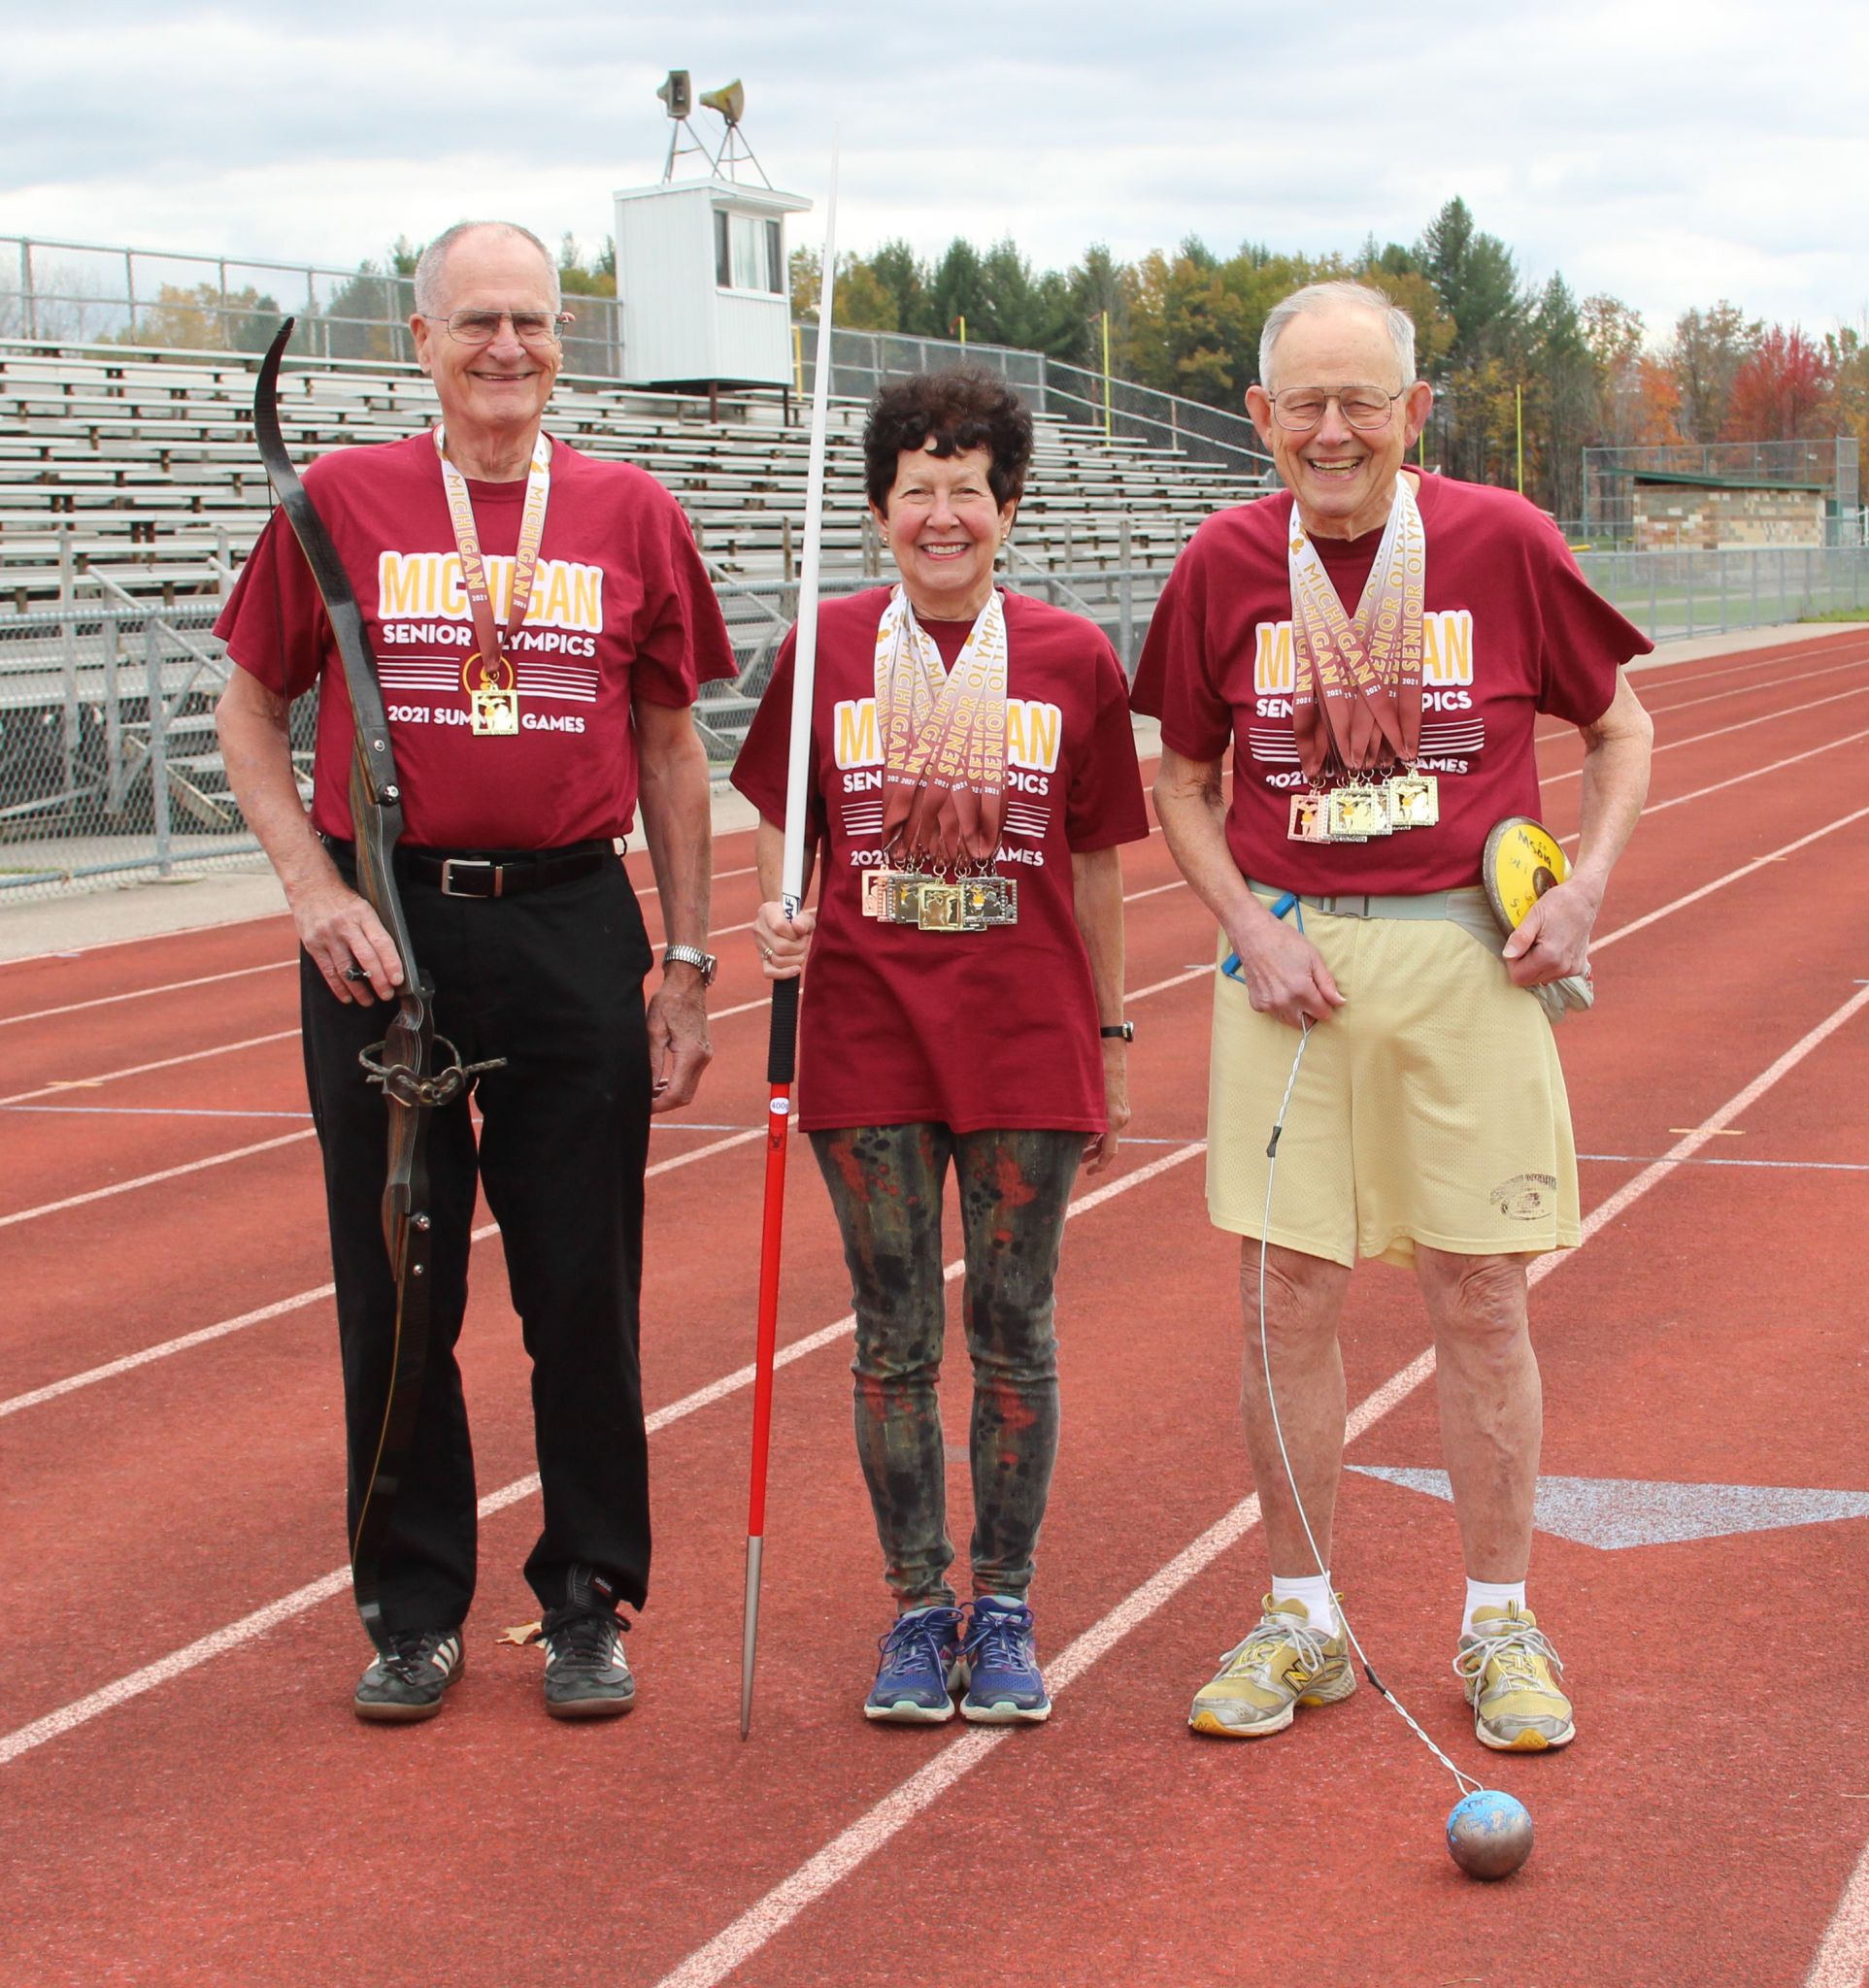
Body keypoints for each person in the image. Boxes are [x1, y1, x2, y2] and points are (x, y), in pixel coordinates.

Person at [214, 219, 737, 1723]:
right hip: (384, 936)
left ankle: (588, 1598)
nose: (506, 347)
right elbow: (251, 715)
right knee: (399, 1283)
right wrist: (312, 894)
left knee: (584, 1287)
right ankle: (412, 1604)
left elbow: (668, 748)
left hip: (572, 925)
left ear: (564, 339)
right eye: (475, 322)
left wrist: (688, 961)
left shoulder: (633, 511)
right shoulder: (338, 502)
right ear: (420, 342)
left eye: (532, 320)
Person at [1130, 280, 1654, 1752]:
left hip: (1466, 965)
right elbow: (1179, 778)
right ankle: (1296, 1618)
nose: (1332, 429)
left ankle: (1500, 1624)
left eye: (1362, 400)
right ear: (1259, 418)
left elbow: (1616, 728)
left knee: (1479, 1301)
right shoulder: (1223, 561)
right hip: (1287, 974)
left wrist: (1588, 886)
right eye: (1303, 402)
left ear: (1415, 412)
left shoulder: (1499, 539)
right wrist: (1239, 924)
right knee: (1283, 1300)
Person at [732, 369, 1150, 1725]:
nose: (942, 514)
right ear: (878, 510)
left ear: (1007, 507)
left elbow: (1095, 867)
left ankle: (1006, 1603)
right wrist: (773, 909)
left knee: (1016, 1334)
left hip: (1026, 1039)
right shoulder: (824, 649)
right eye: (916, 490)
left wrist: (1112, 1037)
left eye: (966, 488)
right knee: (894, 1335)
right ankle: (919, 1610)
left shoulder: (1075, 658)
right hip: (866, 1038)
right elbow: (779, 820)